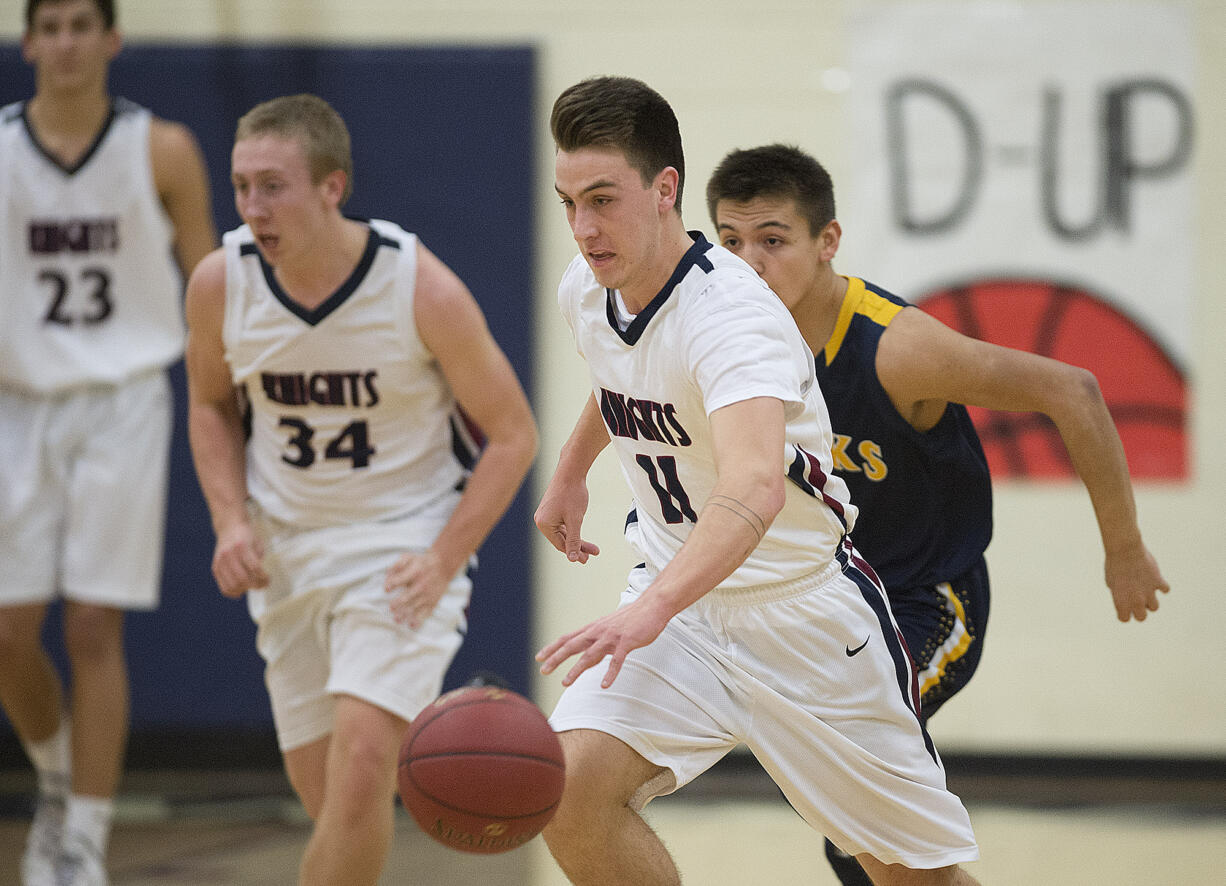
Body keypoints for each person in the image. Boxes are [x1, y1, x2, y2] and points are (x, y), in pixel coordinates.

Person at [534, 75, 983, 886]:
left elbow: (753, 489)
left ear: (665, 188)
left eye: (603, 199)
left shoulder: (733, 318)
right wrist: (570, 473)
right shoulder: (588, 287)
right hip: (684, 611)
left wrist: (651, 608)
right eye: (568, 201)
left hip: (804, 620)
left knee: (908, 874)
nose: (584, 226)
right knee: (569, 792)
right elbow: (625, 378)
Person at [705, 143, 1171, 886]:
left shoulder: (896, 348)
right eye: (730, 242)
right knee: (852, 824)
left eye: (772, 240)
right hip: (826, 602)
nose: (749, 263)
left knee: (864, 807)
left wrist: (1123, 548)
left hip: (927, 600)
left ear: (827, 243)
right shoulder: (728, 340)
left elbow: (1074, 390)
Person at [183, 93, 536, 886]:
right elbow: (209, 402)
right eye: (241, 187)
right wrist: (229, 521)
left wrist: (445, 558)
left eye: (272, 186)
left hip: (401, 549)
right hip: (287, 557)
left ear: (331, 187)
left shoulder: (417, 286)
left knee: (365, 766)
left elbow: (514, 434)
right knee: (336, 805)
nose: (252, 207)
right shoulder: (220, 284)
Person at [0, 1, 217, 884]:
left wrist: (226, 409)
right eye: (48, 27)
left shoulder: (160, 148)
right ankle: (57, 783)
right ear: (28, 43)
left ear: (112, 39)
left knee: (93, 624)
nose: (65, 43)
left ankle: (85, 837)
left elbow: (209, 289)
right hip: (17, 401)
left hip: (125, 400)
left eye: (81, 25)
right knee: (10, 634)